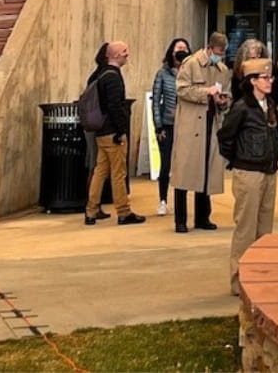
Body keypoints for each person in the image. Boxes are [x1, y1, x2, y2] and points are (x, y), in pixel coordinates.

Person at [218, 58, 278, 297]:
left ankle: (261, 276)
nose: (270, 82)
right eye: (265, 78)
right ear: (252, 81)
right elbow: (225, 136)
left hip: (269, 171)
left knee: (264, 230)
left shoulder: (269, 104)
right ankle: (239, 281)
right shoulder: (242, 107)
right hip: (248, 172)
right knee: (245, 230)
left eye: (270, 77)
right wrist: (237, 160)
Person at [171, 33, 231, 233]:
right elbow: (181, 90)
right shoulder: (191, 64)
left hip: (211, 123)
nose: (219, 57)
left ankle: (203, 217)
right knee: (185, 172)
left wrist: (223, 102)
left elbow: (227, 95)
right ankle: (180, 219)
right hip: (191, 124)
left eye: (222, 54)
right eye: (217, 52)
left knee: (207, 171)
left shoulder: (222, 70)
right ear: (209, 48)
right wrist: (205, 92)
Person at [84, 41, 146, 226]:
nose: (127, 54)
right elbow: (115, 106)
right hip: (112, 132)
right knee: (118, 173)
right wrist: (121, 131)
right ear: (115, 55)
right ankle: (123, 211)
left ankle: (91, 210)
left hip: (101, 131)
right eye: (124, 51)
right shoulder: (113, 77)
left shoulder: (99, 74)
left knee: (100, 171)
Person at [151, 37, 189, 216]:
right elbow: (156, 101)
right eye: (178, 48)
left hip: (187, 125)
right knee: (165, 164)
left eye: (184, 48)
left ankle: (181, 201)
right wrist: (158, 126)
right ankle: (163, 200)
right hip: (168, 124)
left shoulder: (191, 71)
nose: (181, 51)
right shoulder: (163, 73)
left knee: (184, 165)